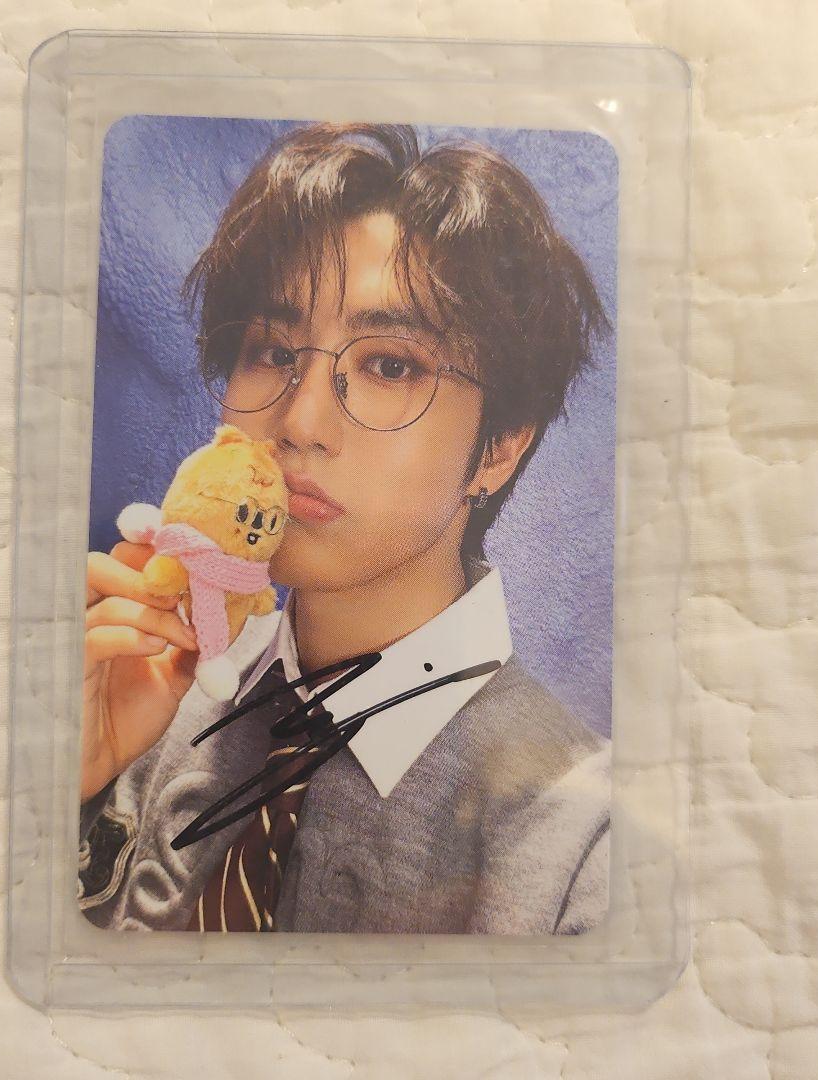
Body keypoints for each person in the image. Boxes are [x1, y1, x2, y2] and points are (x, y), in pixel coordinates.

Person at [78, 121, 612, 934]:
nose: (299, 422)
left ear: (499, 448)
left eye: (389, 365)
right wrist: (66, 792)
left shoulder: (583, 849)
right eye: (271, 351)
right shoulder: (141, 691)